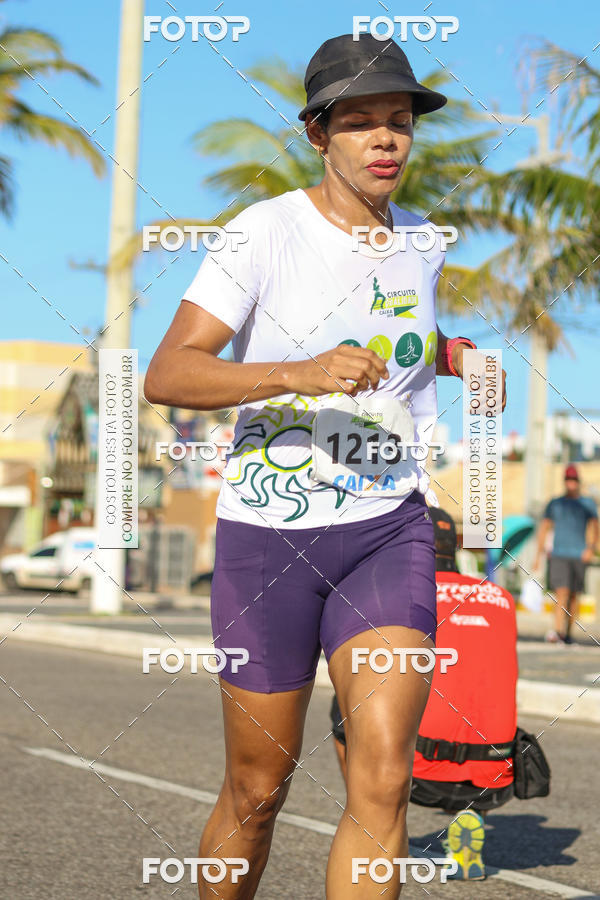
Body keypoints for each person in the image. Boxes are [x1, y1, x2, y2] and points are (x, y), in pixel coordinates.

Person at [145, 33, 505, 899]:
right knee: (258, 789)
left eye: (399, 122)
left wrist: (454, 355)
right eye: (362, 123)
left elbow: (397, 348)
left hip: (387, 529)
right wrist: (294, 373)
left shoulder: (422, 240)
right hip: (270, 539)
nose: (386, 139)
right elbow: (170, 372)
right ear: (319, 135)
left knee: (382, 782)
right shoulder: (262, 233)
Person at [330, 506, 518, 880]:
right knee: (478, 688)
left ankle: (370, 815)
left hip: (421, 771)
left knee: (346, 704)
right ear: (454, 548)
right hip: (495, 770)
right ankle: (470, 814)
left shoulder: (405, 600)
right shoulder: (501, 598)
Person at [533, 464, 598, 644]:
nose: (571, 483)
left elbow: (595, 527)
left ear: (578, 481)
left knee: (574, 596)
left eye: (574, 479)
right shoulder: (555, 503)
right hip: (559, 554)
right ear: (564, 481)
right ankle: (559, 632)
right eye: (568, 479)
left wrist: (591, 548)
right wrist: (537, 557)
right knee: (561, 593)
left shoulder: (587, 503)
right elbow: (544, 528)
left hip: (579, 554)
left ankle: (568, 633)